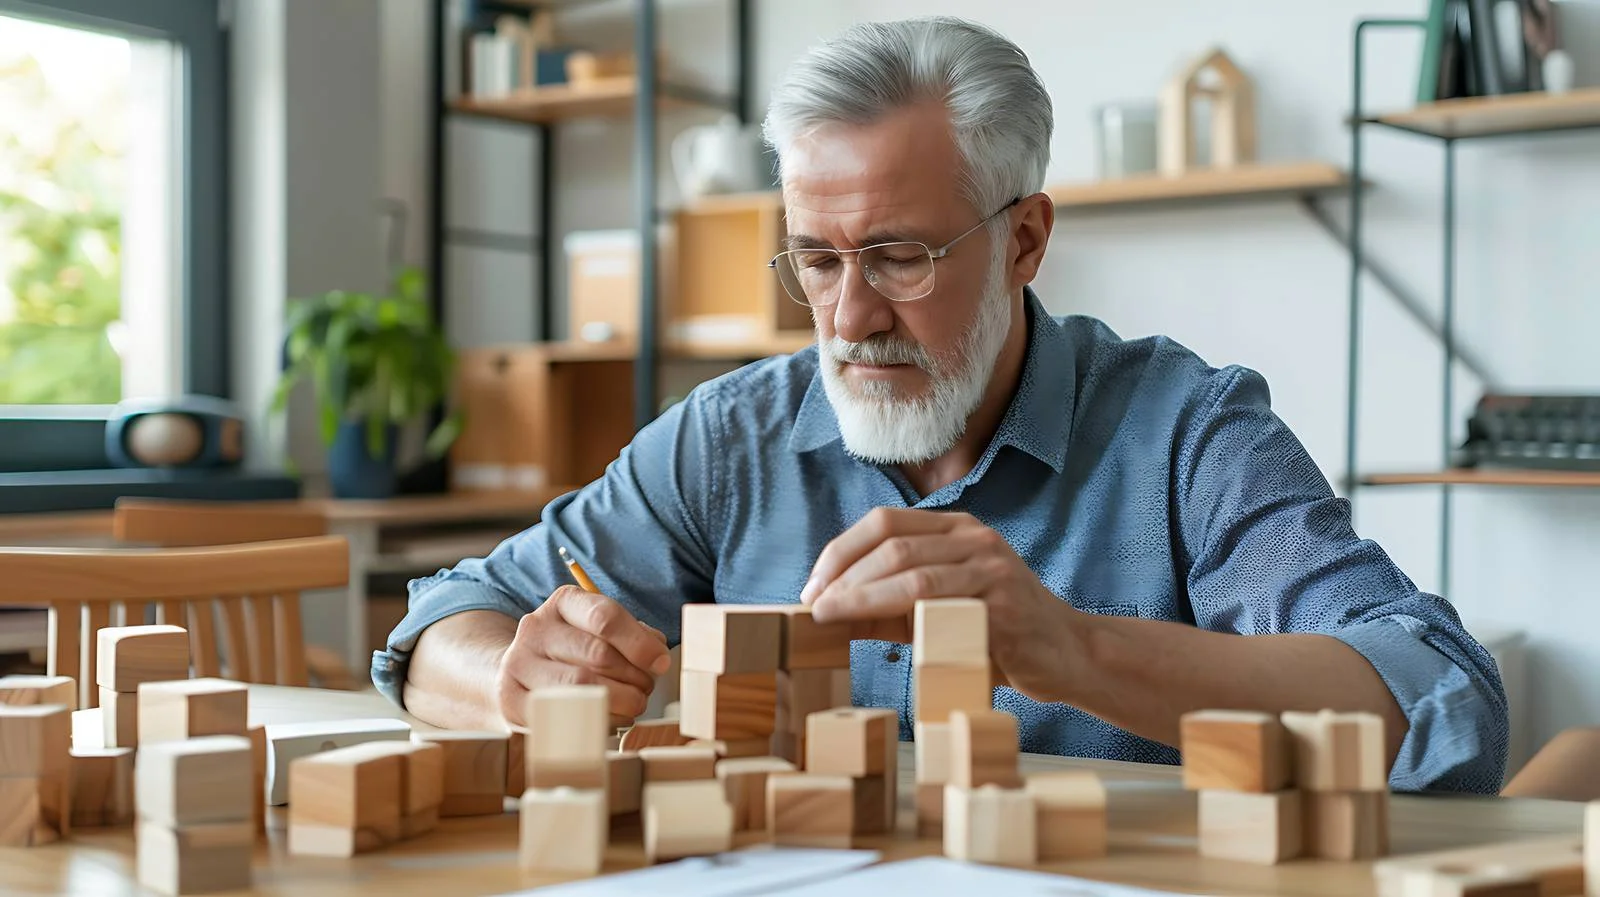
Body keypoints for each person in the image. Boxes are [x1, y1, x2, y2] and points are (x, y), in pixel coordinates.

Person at [375, 16, 1507, 793]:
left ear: (1024, 240)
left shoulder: (1184, 430)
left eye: (898, 256)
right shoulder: (732, 436)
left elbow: (1441, 700)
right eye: (814, 260)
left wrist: (1069, 650)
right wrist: (511, 676)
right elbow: (442, 618)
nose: (848, 315)